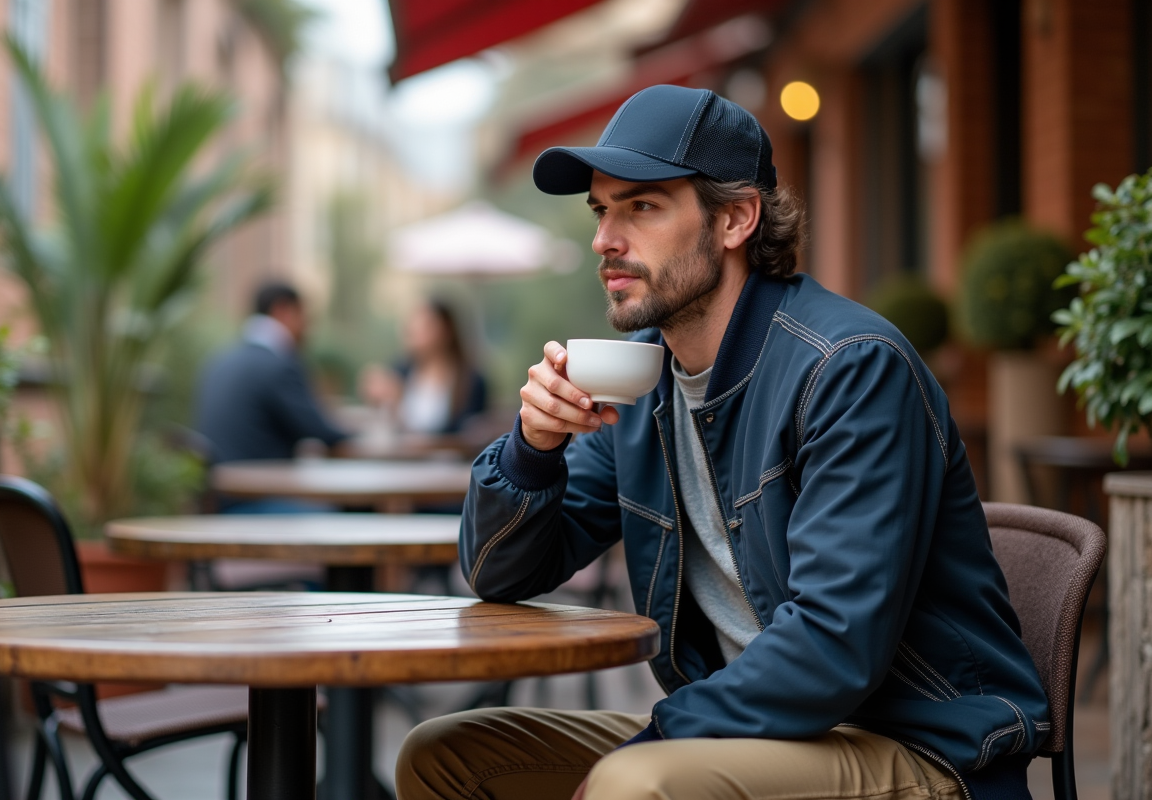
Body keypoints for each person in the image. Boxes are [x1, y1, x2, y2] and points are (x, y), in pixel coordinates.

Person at [396, 85, 1048, 800]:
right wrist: (531, 448)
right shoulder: (647, 385)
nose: (604, 240)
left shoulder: (850, 369)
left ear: (735, 219)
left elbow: (833, 649)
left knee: (634, 785)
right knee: (445, 754)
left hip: (913, 746)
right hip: (749, 733)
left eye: (640, 207)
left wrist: (657, 737)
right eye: (601, 210)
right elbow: (500, 575)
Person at [194, 281, 349, 470]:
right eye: (304, 317)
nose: (307, 329)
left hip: (220, 490)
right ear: (283, 310)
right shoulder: (279, 365)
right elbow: (321, 432)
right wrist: (361, 437)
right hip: (258, 490)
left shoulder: (218, 360)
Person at [360, 299, 487, 435]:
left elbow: (469, 431)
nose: (416, 332)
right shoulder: (401, 371)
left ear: (447, 329)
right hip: (405, 454)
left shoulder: (471, 381)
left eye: (426, 326)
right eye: (413, 325)